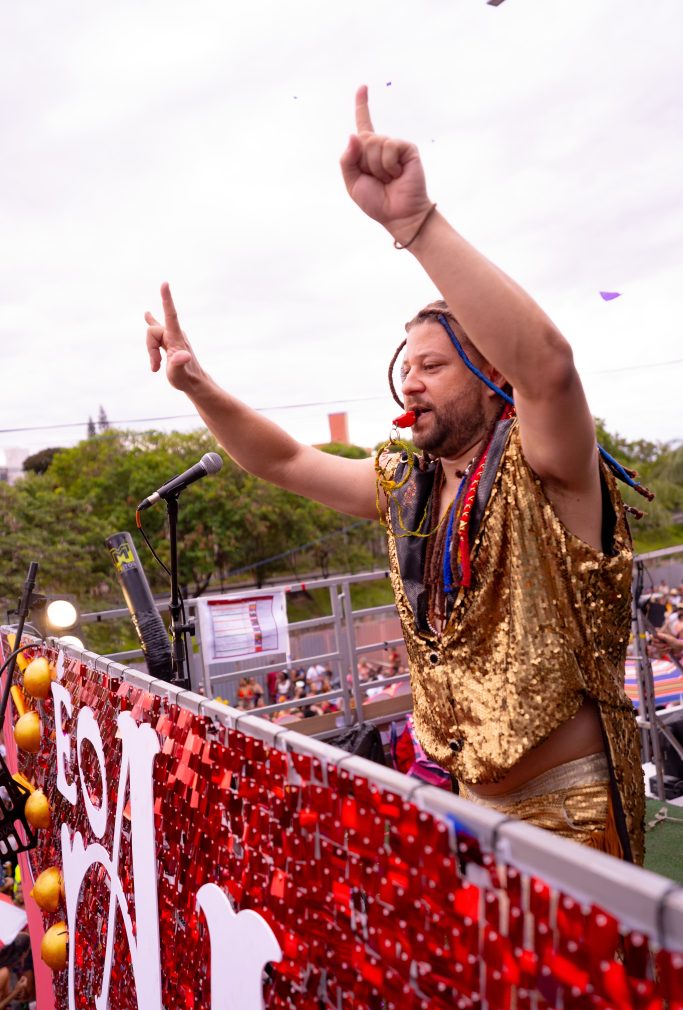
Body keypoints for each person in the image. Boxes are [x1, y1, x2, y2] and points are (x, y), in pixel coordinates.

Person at [145, 86, 645, 861]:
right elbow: (282, 460)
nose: (410, 382)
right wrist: (196, 385)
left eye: (434, 365)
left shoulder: (549, 467)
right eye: (404, 365)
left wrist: (414, 225)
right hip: (468, 812)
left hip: (572, 815)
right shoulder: (404, 485)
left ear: (489, 374)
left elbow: (546, 366)